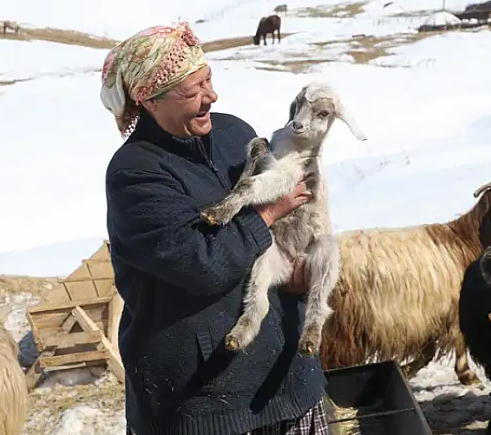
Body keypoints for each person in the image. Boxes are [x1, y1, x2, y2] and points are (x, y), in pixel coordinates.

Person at [100, 22, 330, 435]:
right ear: (150, 102)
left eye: (209, 79)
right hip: (205, 403)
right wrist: (268, 215)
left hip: (287, 382)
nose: (212, 96)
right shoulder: (136, 174)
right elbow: (200, 264)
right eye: (193, 90)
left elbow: (291, 208)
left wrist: (298, 270)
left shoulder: (233, 133)